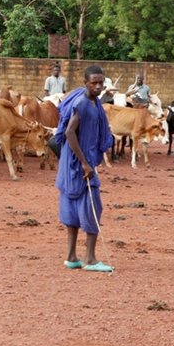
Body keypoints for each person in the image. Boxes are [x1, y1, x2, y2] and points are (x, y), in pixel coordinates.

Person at [54, 65, 115, 272]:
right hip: (79, 163)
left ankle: (71, 257)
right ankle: (90, 258)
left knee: (72, 207)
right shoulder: (82, 103)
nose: (98, 86)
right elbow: (70, 132)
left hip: (73, 164)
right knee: (92, 207)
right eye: (94, 83)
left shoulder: (94, 102)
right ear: (85, 83)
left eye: (101, 83)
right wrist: (84, 163)